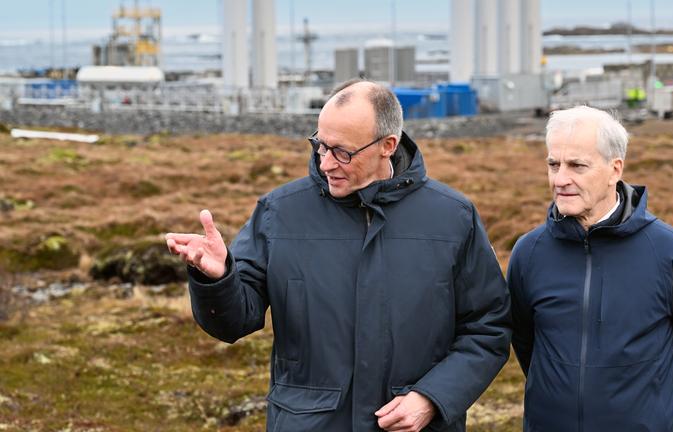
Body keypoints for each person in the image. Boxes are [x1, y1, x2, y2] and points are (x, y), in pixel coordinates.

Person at [166, 79, 511, 432]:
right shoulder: (279, 213)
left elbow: (487, 329)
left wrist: (432, 398)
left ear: (387, 146)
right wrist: (218, 278)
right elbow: (234, 322)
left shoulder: (452, 217)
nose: (326, 163)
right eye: (320, 146)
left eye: (342, 152)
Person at [506, 105, 673, 431]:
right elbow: (526, 344)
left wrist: (659, 416)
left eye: (577, 166)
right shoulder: (528, 252)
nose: (560, 179)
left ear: (614, 170)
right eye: (554, 164)